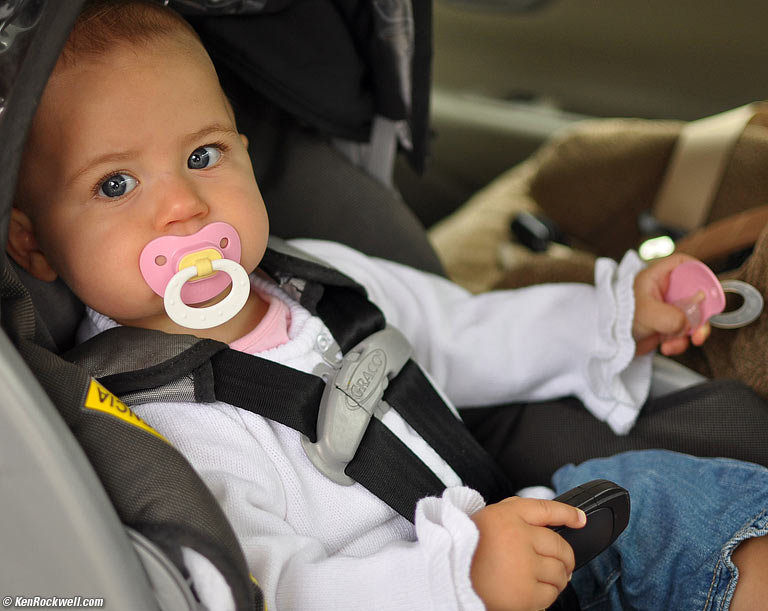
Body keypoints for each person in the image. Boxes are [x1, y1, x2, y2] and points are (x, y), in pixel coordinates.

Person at [6, 2, 768, 610]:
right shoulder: (157, 419)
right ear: (32, 245)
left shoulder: (324, 280)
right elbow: (281, 588)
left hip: (513, 538)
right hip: (425, 586)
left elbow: (469, 331)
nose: (184, 203)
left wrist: (612, 317)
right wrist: (456, 579)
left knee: (662, 495)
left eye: (203, 155)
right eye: (115, 184)